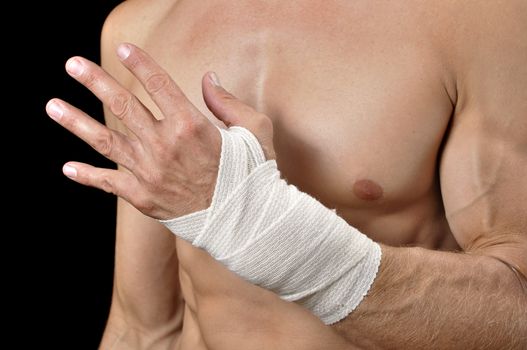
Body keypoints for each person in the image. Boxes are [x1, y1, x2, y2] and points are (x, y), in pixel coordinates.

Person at [46, 0, 526, 349]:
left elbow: (517, 309)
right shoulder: (142, 24)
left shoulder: (477, 19)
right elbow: (144, 325)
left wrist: (262, 229)